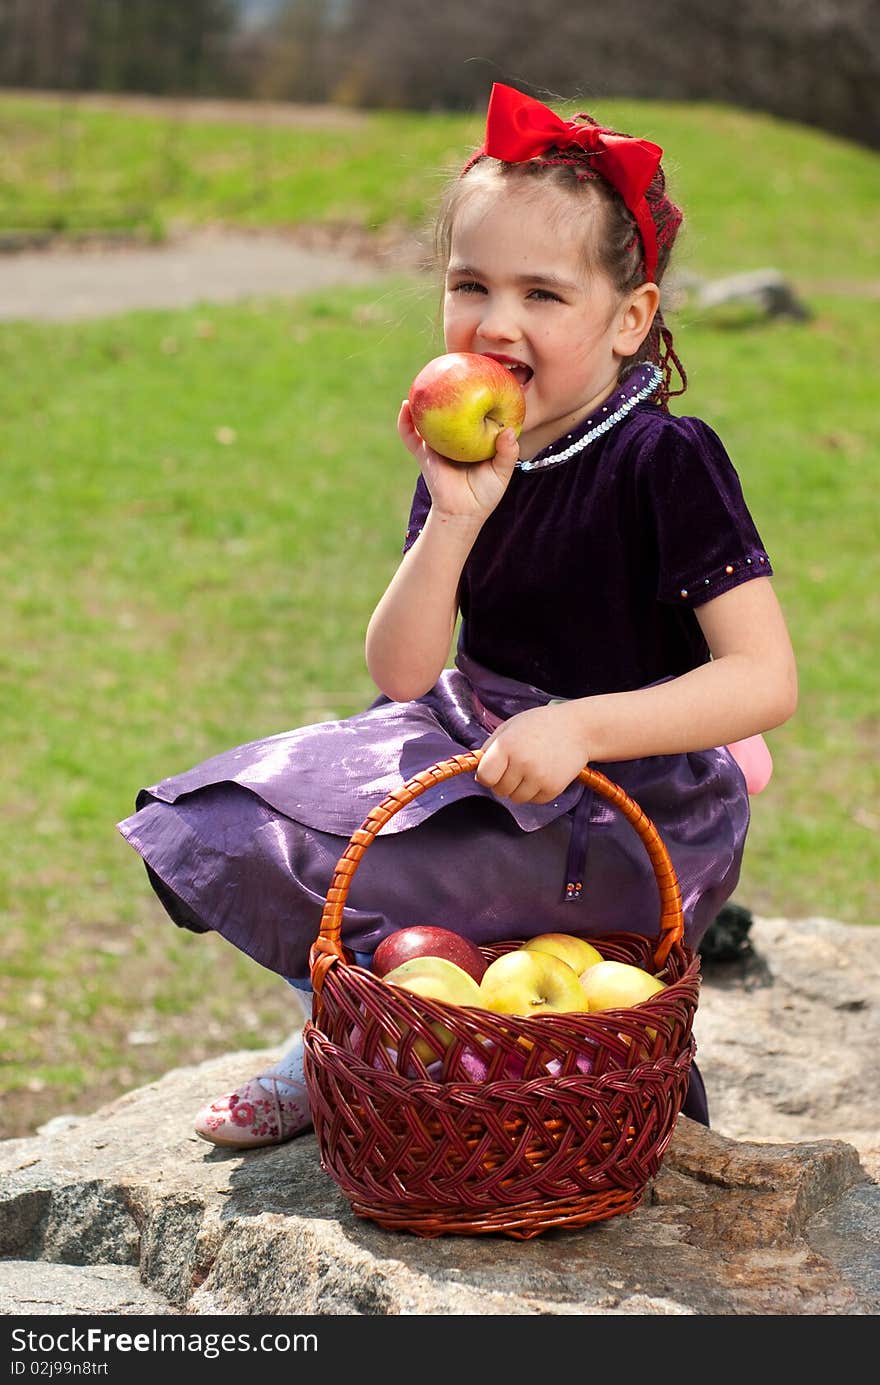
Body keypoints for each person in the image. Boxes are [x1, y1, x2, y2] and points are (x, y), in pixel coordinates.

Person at [117, 82, 797, 1149]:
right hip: (465, 747)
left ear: (630, 319)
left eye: (542, 294)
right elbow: (400, 668)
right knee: (233, 821)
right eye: (471, 284)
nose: (497, 321)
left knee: (385, 874)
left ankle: (472, 1044)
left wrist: (579, 726)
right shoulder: (472, 444)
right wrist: (453, 514)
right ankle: (367, 1031)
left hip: (623, 801)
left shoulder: (664, 459)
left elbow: (763, 679)